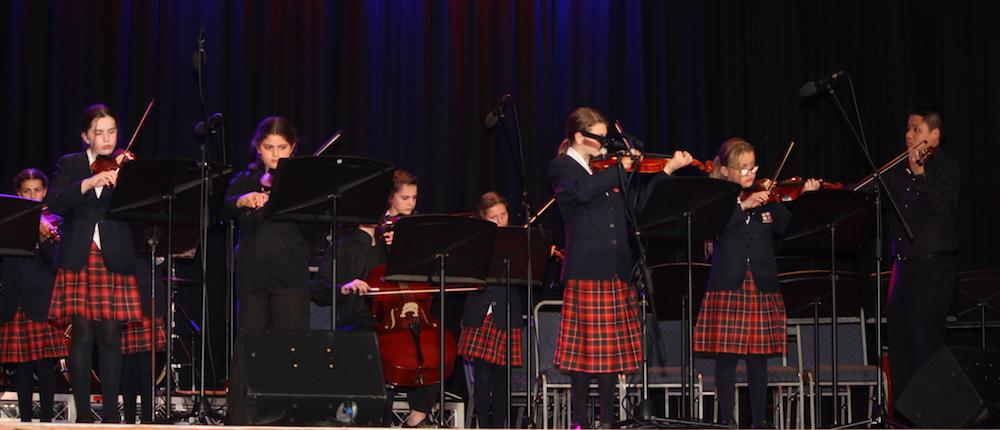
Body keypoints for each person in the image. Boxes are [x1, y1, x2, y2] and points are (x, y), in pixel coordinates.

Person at [548, 107, 693, 428]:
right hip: (587, 266)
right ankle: (580, 421)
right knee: (584, 352)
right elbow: (580, 193)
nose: (604, 143)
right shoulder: (563, 167)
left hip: (616, 267)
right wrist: (620, 168)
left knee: (609, 353)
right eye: (599, 137)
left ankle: (607, 420)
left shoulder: (608, 170)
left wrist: (665, 170)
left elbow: (638, 209)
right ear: (578, 137)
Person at [693, 138, 819, 429]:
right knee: (726, 357)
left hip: (761, 282)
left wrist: (806, 199)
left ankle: (760, 421)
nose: (750, 173)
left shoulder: (769, 198)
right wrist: (743, 204)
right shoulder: (719, 198)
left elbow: (791, 230)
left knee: (758, 357)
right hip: (728, 283)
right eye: (743, 168)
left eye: (753, 166)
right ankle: (727, 419)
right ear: (725, 170)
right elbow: (712, 228)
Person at [45, 104, 145, 423]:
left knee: (111, 336)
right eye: (98, 132)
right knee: (83, 333)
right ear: (85, 136)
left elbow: (139, 210)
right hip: (80, 252)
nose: (106, 138)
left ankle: (112, 414)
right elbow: (57, 201)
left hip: (115, 252)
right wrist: (90, 182)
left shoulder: (126, 165)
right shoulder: (72, 163)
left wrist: (125, 182)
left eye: (111, 132)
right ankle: (85, 412)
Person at [883, 106, 959, 422]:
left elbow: (940, 207)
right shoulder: (899, 169)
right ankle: (903, 419)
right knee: (899, 349)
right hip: (902, 267)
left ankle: (932, 420)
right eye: (908, 128)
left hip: (931, 268)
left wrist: (920, 176)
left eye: (916, 129)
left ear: (934, 135)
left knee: (927, 348)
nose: (909, 134)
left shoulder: (945, 166)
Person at [221, 117, 318, 330]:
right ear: (258, 147)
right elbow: (221, 211)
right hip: (252, 274)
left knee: (291, 346)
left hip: (290, 275)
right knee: (252, 347)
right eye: (268, 147)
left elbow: (314, 229)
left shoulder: (302, 183)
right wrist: (241, 201)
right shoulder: (243, 181)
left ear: (292, 147)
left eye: (282, 147)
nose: (275, 154)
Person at [0, 169, 68, 422]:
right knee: (23, 366)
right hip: (14, 298)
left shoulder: (54, 221)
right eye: (26, 191)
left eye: (37, 190)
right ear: (18, 193)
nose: (32, 195)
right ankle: (26, 420)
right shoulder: (9, 219)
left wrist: (44, 239)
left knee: (44, 364)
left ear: (45, 191)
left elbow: (56, 262)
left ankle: (47, 420)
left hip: (41, 299)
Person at [456, 191, 524, 428]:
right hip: (479, 309)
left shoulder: (518, 241)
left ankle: (500, 426)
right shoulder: (475, 241)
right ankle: (483, 426)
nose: (500, 221)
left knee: (502, 377)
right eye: (493, 217)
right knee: (482, 376)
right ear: (483, 219)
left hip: (507, 310)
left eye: (503, 215)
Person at [119, 257, 168, 423]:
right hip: (125, 289)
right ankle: (129, 420)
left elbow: (168, 259)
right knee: (128, 363)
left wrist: (160, 258)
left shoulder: (154, 232)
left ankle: (148, 420)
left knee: (146, 363)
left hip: (148, 293)